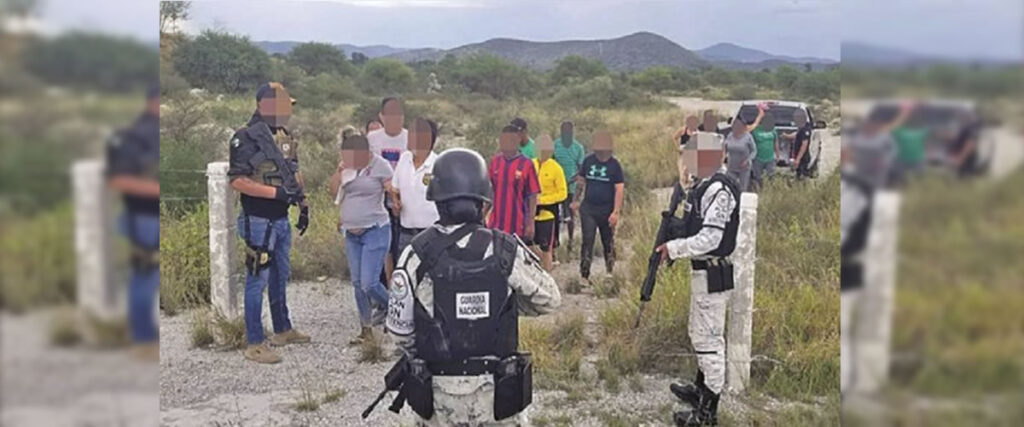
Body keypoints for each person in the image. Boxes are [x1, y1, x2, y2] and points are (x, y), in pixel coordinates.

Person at [385, 148, 561, 426]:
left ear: (437, 200)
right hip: (498, 397)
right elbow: (550, 299)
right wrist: (504, 303)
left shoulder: (415, 254)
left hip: (437, 400)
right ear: (483, 202)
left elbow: (400, 332)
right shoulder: (505, 249)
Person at [228, 82, 311, 364]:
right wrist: (275, 194)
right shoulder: (245, 137)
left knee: (279, 276)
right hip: (258, 219)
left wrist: (303, 204)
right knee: (256, 280)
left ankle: (282, 329)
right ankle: (254, 343)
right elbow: (237, 181)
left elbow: (293, 171)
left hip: (280, 218)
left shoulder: (283, 136)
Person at [653, 170, 742, 426]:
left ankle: (706, 415)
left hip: (712, 274)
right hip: (703, 273)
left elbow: (711, 239)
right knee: (698, 333)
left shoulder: (719, 189)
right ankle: (700, 391)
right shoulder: (704, 185)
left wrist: (674, 248)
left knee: (709, 343)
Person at [106, 86, 160, 361]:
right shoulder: (134, 137)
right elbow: (118, 180)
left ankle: (146, 336)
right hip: (143, 217)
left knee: (151, 278)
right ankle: (142, 340)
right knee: (144, 276)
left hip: (152, 217)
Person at [330, 134, 394, 344]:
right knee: (357, 283)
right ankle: (366, 329)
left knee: (369, 283)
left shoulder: (380, 165)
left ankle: (397, 309)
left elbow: (390, 188)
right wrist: (339, 172)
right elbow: (334, 194)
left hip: (375, 229)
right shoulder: (347, 168)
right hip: (351, 233)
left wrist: (396, 199)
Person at [570, 131, 624, 283]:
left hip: (607, 209)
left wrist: (615, 212)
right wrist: (575, 200)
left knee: (608, 240)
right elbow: (581, 182)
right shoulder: (588, 161)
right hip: (589, 208)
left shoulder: (614, 165)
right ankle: (584, 275)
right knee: (587, 240)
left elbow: (619, 189)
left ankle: (610, 272)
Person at [368, 97, 408, 285]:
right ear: (381, 116)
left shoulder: (410, 137)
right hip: (379, 198)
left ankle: (403, 284)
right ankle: (384, 287)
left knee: (401, 243)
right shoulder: (372, 139)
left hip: (404, 197)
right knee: (383, 245)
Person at [390, 117, 440, 254]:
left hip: (431, 234)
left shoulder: (438, 164)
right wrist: (395, 201)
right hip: (406, 233)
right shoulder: (404, 159)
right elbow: (394, 188)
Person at [488, 125, 539, 242]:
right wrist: (482, 215)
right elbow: (490, 191)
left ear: (517, 141)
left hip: (517, 226)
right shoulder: (495, 162)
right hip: (495, 225)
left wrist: (531, 223)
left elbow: (533, 196)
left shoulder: (527, 164)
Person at [531, 135, 568, 271]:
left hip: (548, 214)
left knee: (546, 246)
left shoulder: (556, 168)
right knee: (528, 244)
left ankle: (547, 274)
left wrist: (543, 199)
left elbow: (562, 193)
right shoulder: (530, 164)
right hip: (530, 213)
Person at [552, 121, 586, 253]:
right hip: (555, 187)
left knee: (570, 216)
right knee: (555, 215)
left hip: (571, 187)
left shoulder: (578, 148)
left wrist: (570, 181)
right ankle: (555, 242)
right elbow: (551, 163)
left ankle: (570, 243)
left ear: (572, 133)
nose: (566, 134)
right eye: (564, 132)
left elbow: (581, 169)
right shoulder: (555, 145)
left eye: (569, 132)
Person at [722, 105, 766, 192]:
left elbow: (755, 125)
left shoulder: (747, 134)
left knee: (743, 188)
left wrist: (760, 114)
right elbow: (724, 148)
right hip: (731, 167)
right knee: (729, 187)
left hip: (744, 167)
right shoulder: (730, 135)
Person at [749, 112, 778, 192]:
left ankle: (769, 192)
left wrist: (777, 154)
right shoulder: (755, 130)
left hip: (770, 158)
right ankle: (759, 191)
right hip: (758, 158)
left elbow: (775, 142)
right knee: (758, 177)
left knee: (770, 176)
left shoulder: (772, 129)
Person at [781, 110, 813, 179]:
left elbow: (804, 145)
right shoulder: (801, 127)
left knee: (801, 177)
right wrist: (787, 136)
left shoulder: (805, 128)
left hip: (803, 158)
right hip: (798, 157)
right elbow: (797, 135)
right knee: (797, 176)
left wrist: (798, 159)